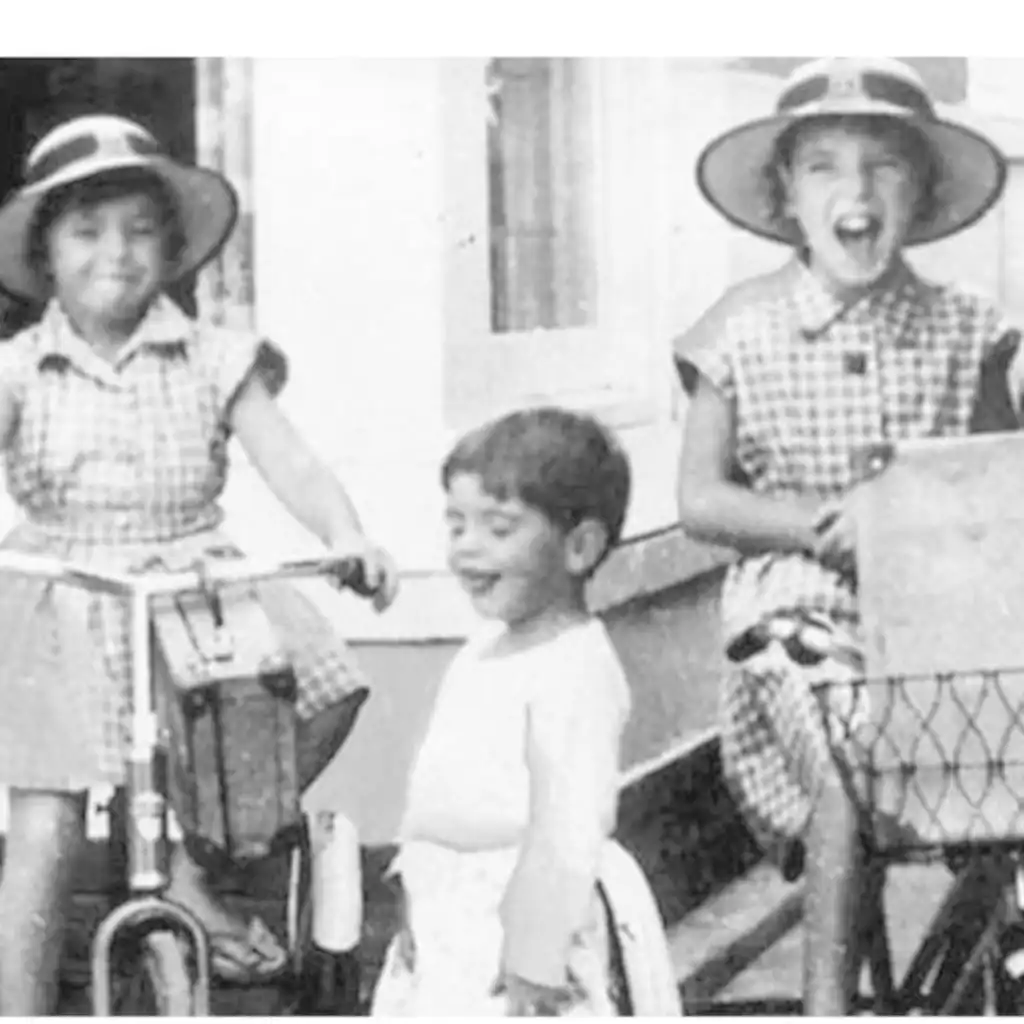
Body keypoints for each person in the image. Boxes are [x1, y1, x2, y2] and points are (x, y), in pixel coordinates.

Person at [0, 114, 399, 1014]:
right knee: (43, 822)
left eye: (141, 230)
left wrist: (345, 532)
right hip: (64, 595)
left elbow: (290, 461)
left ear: (175, 250)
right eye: (86, 232)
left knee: (320, 697)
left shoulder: (217, 358)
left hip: (191, 583)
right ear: (45, 255)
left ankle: (191, 864)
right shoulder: (20, 369)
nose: (116, 253)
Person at [674, 57, 1022, 1015]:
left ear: (926, 191)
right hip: (798, 601)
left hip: (942, 612)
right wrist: (820, 523)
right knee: (849, 757)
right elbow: (700, 499)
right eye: (824, 167)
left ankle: (982, 953)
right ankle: (827, 1004)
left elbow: (999, 482)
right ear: (785, 196)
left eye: (885, 166)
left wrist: (906, 513)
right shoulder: (741, 328)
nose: (855, 191)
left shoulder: (968, 328)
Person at [370, 407, 680, 1017]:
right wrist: (412, 882)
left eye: (498, 528)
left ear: (579, 547)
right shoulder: (480, 650)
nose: (467, 547)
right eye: (456, 525)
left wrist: (537, 954)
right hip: (448, 914)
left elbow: (571, 820)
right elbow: (434, 783)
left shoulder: (574, 667)